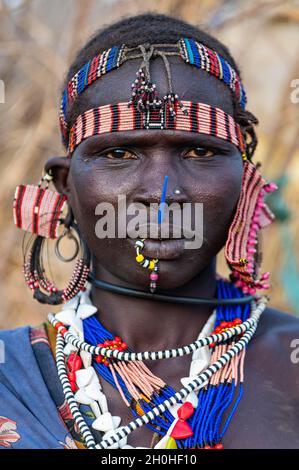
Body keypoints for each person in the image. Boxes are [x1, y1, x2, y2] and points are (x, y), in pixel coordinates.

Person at [1, 13, 299, 450]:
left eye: (199, 151)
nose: (162, 195)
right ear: (66, 184)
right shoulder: (10, 373)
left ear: (246, 182)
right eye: (120, 152)